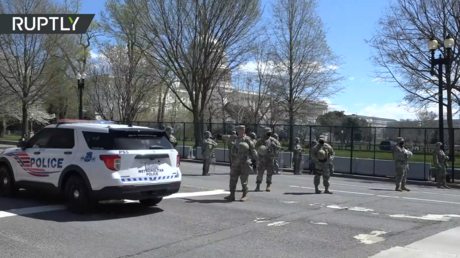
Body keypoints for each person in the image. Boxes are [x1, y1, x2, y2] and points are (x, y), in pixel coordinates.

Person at [224, 125, 258, 202]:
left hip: (244, 162)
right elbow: (225, 137)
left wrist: (255, 161)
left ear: (243, 130)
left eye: (239, 130)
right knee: (232, 179)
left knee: (244, 180)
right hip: (235, 162)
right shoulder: (235, 138)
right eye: (237, 130)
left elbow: (253, 150)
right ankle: (231, 195)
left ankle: (244, 195)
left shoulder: (247, 139)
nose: (238, 131)